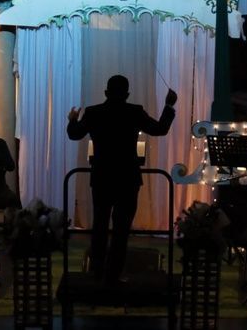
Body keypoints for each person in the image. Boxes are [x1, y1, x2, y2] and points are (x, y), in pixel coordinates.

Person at [67, 75, 177, 284]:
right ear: (127, 94)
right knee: (122, 229)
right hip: (128, 177)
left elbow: (74, 134)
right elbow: (160, 129)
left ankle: (97, 273)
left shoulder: (93, 112)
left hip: (102, 177)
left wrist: (72, 119)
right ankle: (114, 275)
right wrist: (169, 106)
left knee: (100, 226)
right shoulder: (134, 112)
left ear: (106, 92)